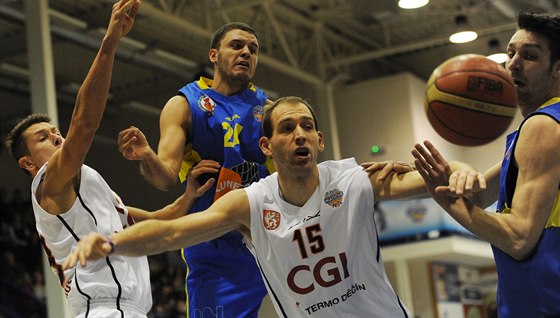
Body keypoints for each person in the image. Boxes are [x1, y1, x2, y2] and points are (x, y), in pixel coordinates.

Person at [64, 96, 478, 317]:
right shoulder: (250, 203)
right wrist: (112, 242)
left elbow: (434, 176)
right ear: (266, 146)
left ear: (319, 142)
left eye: (307, 127)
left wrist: (460, 170)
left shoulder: (354, 179)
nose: (299, 135)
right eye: (286, 128)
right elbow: (172, 232)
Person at [4, 1, 213, 316]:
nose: (57, 137)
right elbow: (84, 125)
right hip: (103, 309)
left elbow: (160, 220)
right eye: (43, 137)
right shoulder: (49, 184)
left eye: (55, 131)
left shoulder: (91, 191)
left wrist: (188, 197)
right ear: (29, 164)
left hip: (130, 309)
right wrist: (110, 43)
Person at [116, 22, 274, 317]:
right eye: (237, 46)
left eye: (253, 49)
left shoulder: (269, 111)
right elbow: (163, 177)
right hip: (214, 246)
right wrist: (147, 156)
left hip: (268, 238)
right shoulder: (185, 105)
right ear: (214, 55)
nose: (246, 53)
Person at [412, 11, 560, 317]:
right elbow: (480, 193)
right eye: (510, 53)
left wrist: (446, 199)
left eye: (529, 56)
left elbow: (518, 237)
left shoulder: (544, 126)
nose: (512, 64)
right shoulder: (537, 128)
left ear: (558, 69)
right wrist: (425, 173)